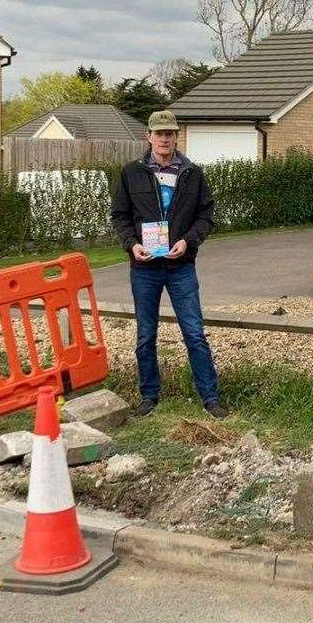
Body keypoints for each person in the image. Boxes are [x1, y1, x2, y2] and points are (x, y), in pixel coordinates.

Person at [109, 109, 225, 419]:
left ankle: (210, 397)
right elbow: (120, 216)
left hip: (181, 267)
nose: (165, 138)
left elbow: (206, 216)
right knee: (146, 335)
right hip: (144, 269)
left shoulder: (193, 173)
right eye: (159, 133)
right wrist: (131, 245)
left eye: (170, 133)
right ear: (149, 136)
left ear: (176, 137)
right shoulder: (130, 172)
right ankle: (149, 395)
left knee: (194, 332)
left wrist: (189, 241)